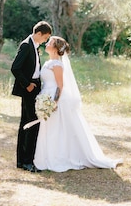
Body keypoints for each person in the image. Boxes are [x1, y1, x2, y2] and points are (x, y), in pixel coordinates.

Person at [33, 36, 122, 172]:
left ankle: (61, 157)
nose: (46, 44)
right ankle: (46, 156)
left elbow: (60, 86)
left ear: (56, 48)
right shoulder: (48, 62)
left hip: (55, 100)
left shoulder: (57, 65)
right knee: (49, 128)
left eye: (49, 42)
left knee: (57, 130)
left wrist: (54, 102)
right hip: (45, 96)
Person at [11, 21, 52, 173]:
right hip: (28, 89)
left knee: (27, 124)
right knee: (31, 124)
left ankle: (22, 161)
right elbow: (15, 67)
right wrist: (27, 84)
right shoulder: (26, 45)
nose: (45, 41)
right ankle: (27, 162)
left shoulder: (34, 46)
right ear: (39, 33)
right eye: (45, 38)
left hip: (34, 87)